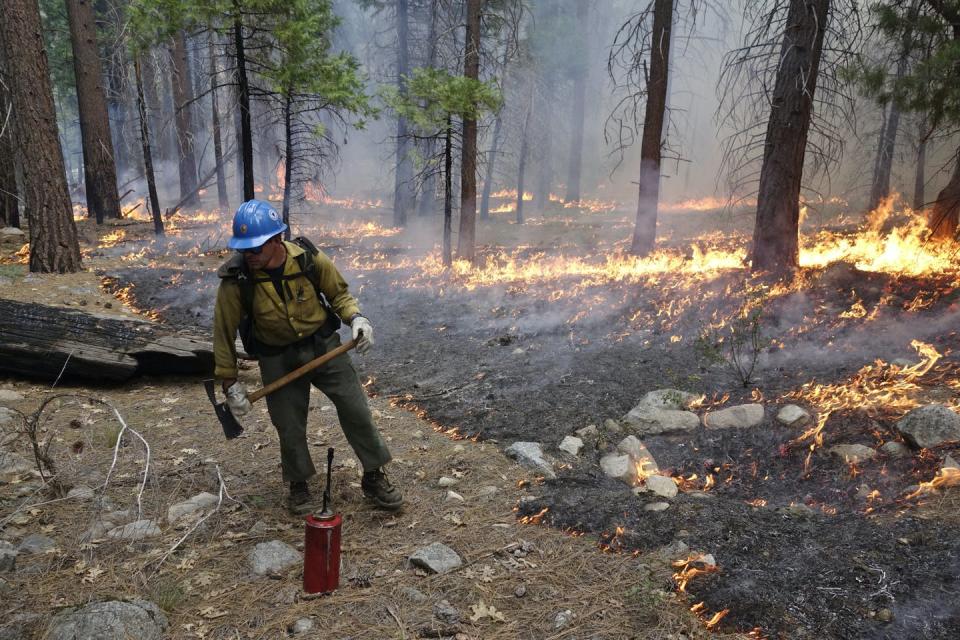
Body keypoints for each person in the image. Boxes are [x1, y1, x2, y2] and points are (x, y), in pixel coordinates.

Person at [212, 199, 402, 514]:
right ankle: (299, 483)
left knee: (356, 408)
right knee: (288, 424)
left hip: (323, 347)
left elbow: (339, 294)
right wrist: (230, 384)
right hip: (276, 355)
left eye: (255, 249)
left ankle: (374, 474)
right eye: (244, 250)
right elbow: (223, 332)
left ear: (276, 240)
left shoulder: (308, 259)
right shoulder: (237, 280)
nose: (249, 256)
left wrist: (356, 319)